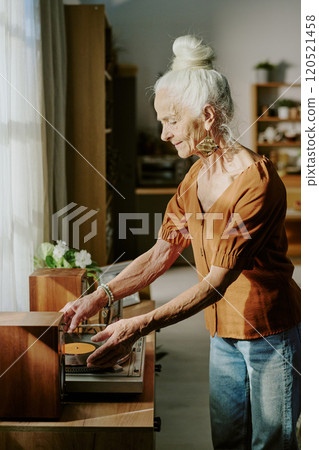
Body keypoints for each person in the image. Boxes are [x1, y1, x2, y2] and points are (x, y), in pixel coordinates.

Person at [63, 35, 301, 449]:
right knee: (227, 441)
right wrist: (99, 296)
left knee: (270, 445)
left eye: (171, 120)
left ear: (208, 116)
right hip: (221, 335)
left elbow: (215, 282)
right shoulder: (194, 179)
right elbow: (161, 253)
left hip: (268, 334)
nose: (164, 134)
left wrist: (140, 325)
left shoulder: (257, 184)